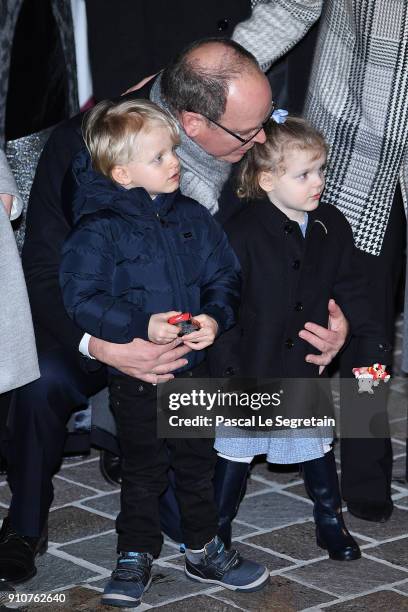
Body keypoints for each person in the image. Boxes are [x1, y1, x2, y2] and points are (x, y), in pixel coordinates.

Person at [0, 38, 348, 585]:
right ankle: (23, 524)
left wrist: (330, 316)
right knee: (41, 380)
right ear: (191, 121)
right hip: (95, 320)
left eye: (265, 123)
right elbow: (43, 271)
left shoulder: (248, 149)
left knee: (193, 502)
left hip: (197, 335)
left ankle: (175, 501)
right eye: (247, 131)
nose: (262, 140)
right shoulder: (88, 143)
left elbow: (293, 243)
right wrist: (104, 345)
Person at [59, 98, 269, 606]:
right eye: (159, 158)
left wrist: (214, 318)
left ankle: (203, 546)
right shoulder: (99, 229)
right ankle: (134, 553)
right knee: (144, 467)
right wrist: (138, 324)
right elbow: (80, 297)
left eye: (172, 151)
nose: (174, 163)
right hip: (140, 377)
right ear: (123, 173)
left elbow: (224, 275)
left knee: (197, 464)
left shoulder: (193, 216)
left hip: (192, 370)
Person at [232, 0, 405, 522]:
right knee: (367, 334)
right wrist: (200, 85)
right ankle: (367, 469)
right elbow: (288, 7)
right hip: (352, 155)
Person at [211, 112, 391, 559]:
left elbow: (351, 288)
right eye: (304, 174)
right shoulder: (241, 233)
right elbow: (224, 306)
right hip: (253, 362)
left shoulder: (331, 225)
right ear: (267, 179)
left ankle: (329, 519)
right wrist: (228, 371)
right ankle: (215, 527)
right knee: (236, 451)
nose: (318, 182)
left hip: (301, 364)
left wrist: (362, 338)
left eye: (322, 170)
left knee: (315, 446)